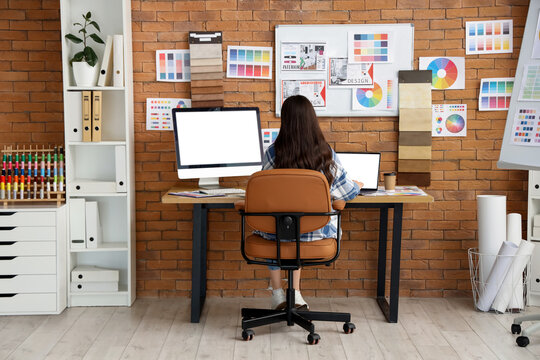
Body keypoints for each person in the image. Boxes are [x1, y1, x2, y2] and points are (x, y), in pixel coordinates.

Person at [259, 95, 363, 310]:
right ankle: (295, 293)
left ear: (285, 121)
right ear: (312, 120)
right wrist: (357, 185)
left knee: (281, 227)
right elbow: (346, 193)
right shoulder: (325, 154)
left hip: (276, 233)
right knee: (301, 226)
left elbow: (263, 190)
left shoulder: (273, 153)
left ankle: (278, 293)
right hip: (315, 232)